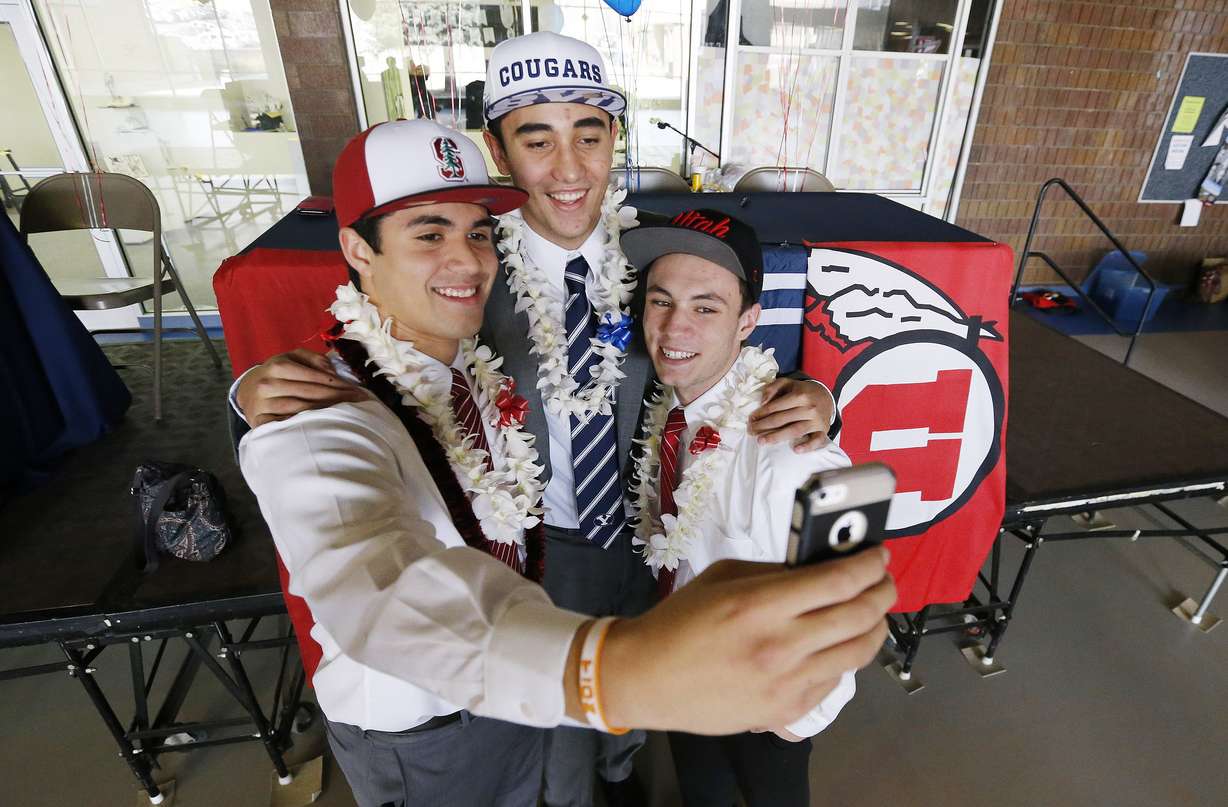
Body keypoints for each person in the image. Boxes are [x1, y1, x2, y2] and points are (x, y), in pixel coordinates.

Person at [234, 32, 841, 807]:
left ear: (614, 141)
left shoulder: (656, 251)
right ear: (499, 149)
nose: (567, 168)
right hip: (537, 544)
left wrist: (822, 402)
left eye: (589, 136)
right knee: (553, 732)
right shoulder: (472, 268)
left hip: (647, 525)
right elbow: (371, 364)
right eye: (536, 138)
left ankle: (619, 782)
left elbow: (723, 348)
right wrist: (250, 393)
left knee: (627, 721)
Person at [621, 209, 857, 806]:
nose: (675, 328)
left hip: (762, 702)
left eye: (706, 307)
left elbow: (846, 596)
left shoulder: (792, 452)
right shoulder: (666, 408)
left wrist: (795, 720)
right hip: (682, 666)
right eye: (661, 300)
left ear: (749, 320)